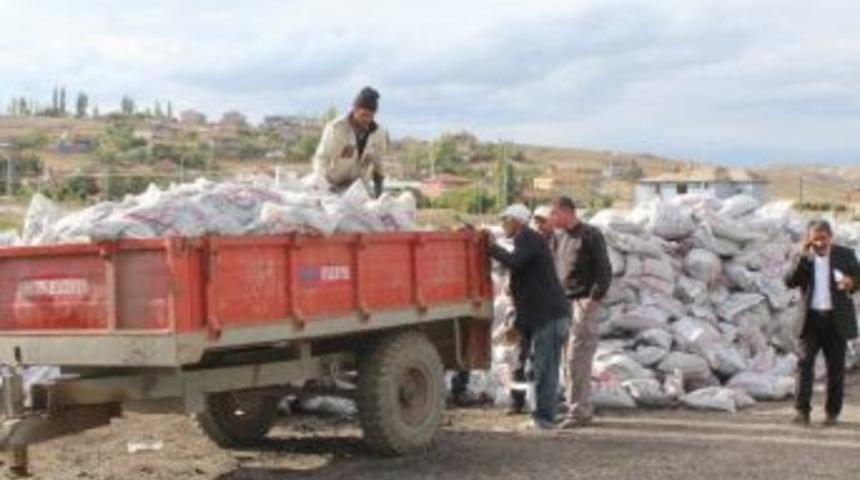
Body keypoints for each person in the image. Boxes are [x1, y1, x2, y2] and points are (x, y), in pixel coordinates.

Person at [488, 204, 570, 430]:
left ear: (516, 221)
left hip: (549, 317)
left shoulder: (528, 238)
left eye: (505, 220)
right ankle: (542, 415)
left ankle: (544, 419)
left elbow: (516, 262)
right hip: (546, 317)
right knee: (539, 369)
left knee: (545, 370)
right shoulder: (529, 240)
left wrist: (491, 247)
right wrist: (519, 326)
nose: (503, 225)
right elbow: (526, 286)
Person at [785, 220, 860, 426]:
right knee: (804, 366)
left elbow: (858, 276)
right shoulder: (803, 257)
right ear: (809, 238)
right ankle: (802, 411)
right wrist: (801, 257)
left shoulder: (845, 254)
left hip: (837, 321)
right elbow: (789, 281)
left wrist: (851, 282)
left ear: (830, 237)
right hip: (810, 321)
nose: (819, 243)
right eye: (815, 239)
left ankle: (832, 414)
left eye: (823, 239)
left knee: (836, 369)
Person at [550, 196, 612, 429]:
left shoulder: (590, 235)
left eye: (554, 214)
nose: (551, 219)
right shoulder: (560, 238)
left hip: (583, 303)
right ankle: (574, 408)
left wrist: (593, 299)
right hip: (563, 304)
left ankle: (580, 412)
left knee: (578, 358)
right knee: (568, 359)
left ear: (567, 212)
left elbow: (604, 271)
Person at [312, 86, 389, 197]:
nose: (367, 120)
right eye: (364, 115)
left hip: (359, 190)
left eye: (371, 116)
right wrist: (323, 186)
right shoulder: (336, 128)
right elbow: (321, 158)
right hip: (334, 187)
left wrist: (379, 193)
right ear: (354, 110)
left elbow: (379, 164)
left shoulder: (379, 133)